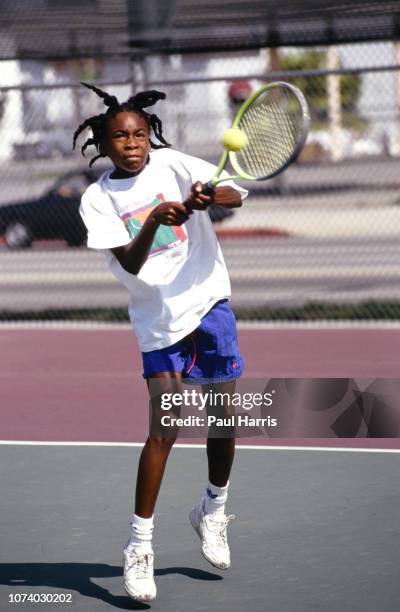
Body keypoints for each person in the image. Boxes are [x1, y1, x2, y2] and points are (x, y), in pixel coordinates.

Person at [74, 83, 247, 603]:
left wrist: (205, 196)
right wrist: (155, 218)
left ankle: (213, 510)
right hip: (158, 322)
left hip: (209, 304)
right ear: (103, 146)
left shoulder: (174, 165)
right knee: (164, 430)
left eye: (140, 133)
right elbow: (129, 261)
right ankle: (139, 546)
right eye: (120, 137)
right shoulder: (97, 198)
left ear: (151, 136)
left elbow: (236, 192)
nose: (132, 143)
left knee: (225, 417)